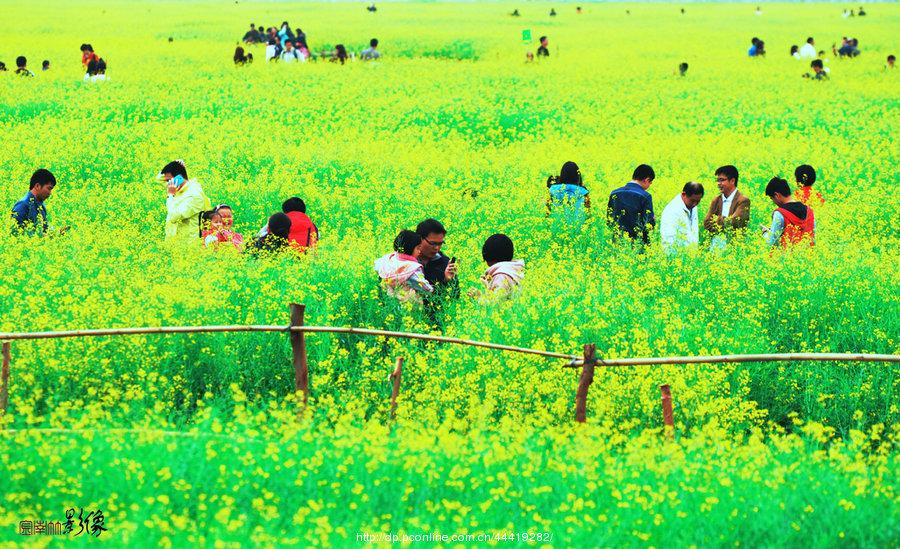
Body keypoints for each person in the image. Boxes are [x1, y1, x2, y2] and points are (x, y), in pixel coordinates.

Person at [158, 160, 210, 245]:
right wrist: (176, 162)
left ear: (179, 178)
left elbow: (174, 217)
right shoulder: (178, 188)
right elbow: (158, 179)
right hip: (174, 243)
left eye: (169, 180)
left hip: (188, 245)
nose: (167, 184)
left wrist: (170, 196)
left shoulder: (194, 195)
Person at [374, 230, 433, 304]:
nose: (420, 251)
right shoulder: (412, 268)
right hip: (406, 303)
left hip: (387, 300)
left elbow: (376, 266)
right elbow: (424, 287)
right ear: (410, 248)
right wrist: (433, 290)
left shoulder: (389, 258)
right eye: (418, 248)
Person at [606, 164, 656, 246]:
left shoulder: (614, 193)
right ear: (646, 180)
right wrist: (653, 220)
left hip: (617, 242)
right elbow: (648, 224)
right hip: (638, 244)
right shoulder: (645, 196)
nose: (649, 185)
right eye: (650, 182)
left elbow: (609, 220)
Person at [703, 165, 750, 250]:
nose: (718, 184)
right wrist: (725, 221)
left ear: (732, 181)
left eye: (721, 180)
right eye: (717, 180)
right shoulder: (716, 200)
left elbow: (735, 222)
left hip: (734, 247)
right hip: (715, 247)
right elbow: (706, 223)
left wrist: (717, 220)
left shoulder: (743, 201)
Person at [762, 177, 815, 248]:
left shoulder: (780, 214)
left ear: (777, 195)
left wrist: (765, 233)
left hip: (785, 256)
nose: (773, 202)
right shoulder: (809, 211)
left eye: (772, 198)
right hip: (807, 256)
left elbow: (771, 241)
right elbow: (813, 239)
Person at [470, 234, 525, 301]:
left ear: (488, 257)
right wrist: (488, 284)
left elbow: (496, 304)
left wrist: (479, 297)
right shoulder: (515, 270)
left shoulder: (501, 276)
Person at [659, 182, 704, 255]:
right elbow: (669, 237)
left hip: (690, 256)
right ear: (684, 194)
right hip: (676, 257)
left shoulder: (693, 207)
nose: (695, 204)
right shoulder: (672, 210)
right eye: (692, 201)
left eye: (698, 201)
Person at [415, 218, 458, 294]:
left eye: (440, 243)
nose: (436, 248)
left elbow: (454, 297)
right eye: (432, 243)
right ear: (420, 238)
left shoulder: (445, 263)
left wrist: (447, 280)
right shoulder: (405, 261)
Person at [11, 169, 58, 236]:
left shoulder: (41, 206)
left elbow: (44, 232)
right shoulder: (22, 205)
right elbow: (14, 234)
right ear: (37, 186)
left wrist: (56, 234)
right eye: (49, 188)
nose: (50, 193)